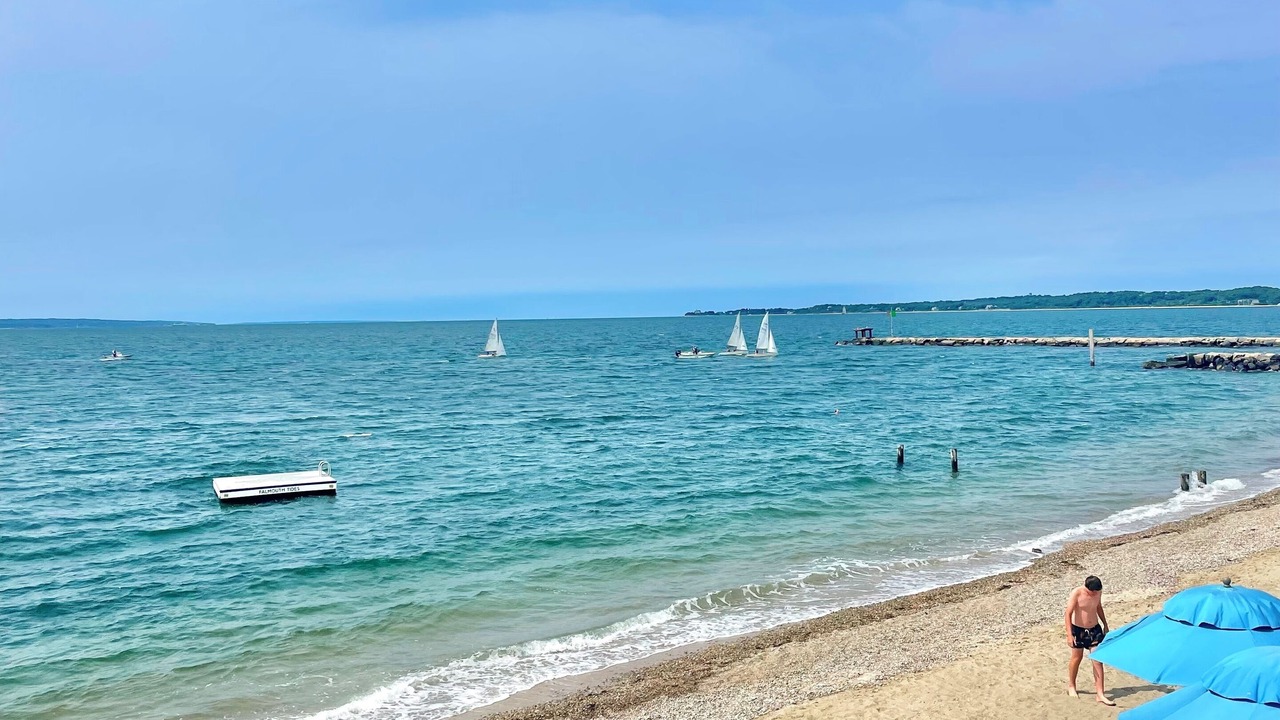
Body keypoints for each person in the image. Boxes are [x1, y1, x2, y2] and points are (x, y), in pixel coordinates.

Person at [1065, 575, 1114, 705]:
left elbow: (1098, 607)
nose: (1095, 594)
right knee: (1077, 658)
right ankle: (1071, 685)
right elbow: (1068, 614)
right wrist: (1070, 635)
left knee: (1097, 660)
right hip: (1078, 630)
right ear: (1088, 589)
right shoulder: (1077, 593)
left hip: (1094, 629)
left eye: (1097, 592)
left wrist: (1105, 624)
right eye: (1093, 592)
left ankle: (1100, 694)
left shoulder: (1098, 592)